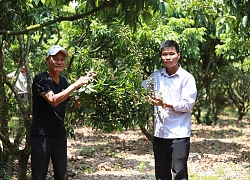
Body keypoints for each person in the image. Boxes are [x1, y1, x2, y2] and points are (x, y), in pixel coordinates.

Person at [30, 45, 95, 180]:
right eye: (55, 59)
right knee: (39, 174)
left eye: (62, 59)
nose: (59, 62)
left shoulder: (64, 81)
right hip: (41, 135)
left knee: (62, 174)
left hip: (59, 133)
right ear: (48, 60)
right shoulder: (41, 79)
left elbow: (76, 102)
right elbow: (53, 100)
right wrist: (76, 84)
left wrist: (88, 86)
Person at [142, 40, 197, 180]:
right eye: (164, 54)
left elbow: (187, 104)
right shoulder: (156, 76)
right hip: (160, 133)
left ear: (178, 55)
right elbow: (141, 89)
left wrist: (165, 103)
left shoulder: (186, 78)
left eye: (171, 54)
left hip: (179, 134)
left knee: (179, 173)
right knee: (161, 174)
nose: (168, 57)